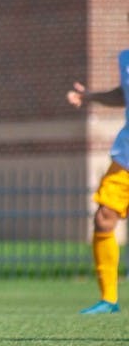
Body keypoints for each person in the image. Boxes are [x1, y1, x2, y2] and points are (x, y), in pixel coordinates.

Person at [67, 50, 129, 314]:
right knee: (104, 217)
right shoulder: (125, 58)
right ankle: (109, 299)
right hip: (126, 155)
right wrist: (90, 96)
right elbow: (123, 94)